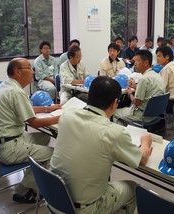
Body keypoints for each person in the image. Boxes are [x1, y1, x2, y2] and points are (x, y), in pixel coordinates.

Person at [50, 76, 152, 213]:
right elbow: (142, 159)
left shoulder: (67, 116)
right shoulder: (113, 132)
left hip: (55, 200)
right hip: (83, 209)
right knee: (133, 188)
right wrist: (145, 142)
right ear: (115, 102)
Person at [0, 58, 62, 203]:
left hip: (3, 142)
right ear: (18, 72)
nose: (33, 71)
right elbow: (33, 121)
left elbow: (25, 108)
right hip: (9, 148)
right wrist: (58, 118)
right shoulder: (16, 92)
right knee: (51, 154)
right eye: (29, 67)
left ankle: (33, 174)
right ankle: (23, 190)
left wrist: (48, 109)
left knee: (43, 137)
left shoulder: (6, 85)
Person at [113, 50, 165, 125]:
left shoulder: (144, 79)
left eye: (137, 61)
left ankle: (126, 134)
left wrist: (130, 93)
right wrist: (135, 86)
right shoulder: (157, 75)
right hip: (154, 114)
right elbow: (148, 91)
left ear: (146, 63)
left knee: (114, 113)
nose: (135, 64)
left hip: (142, 115)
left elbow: (136, 103)